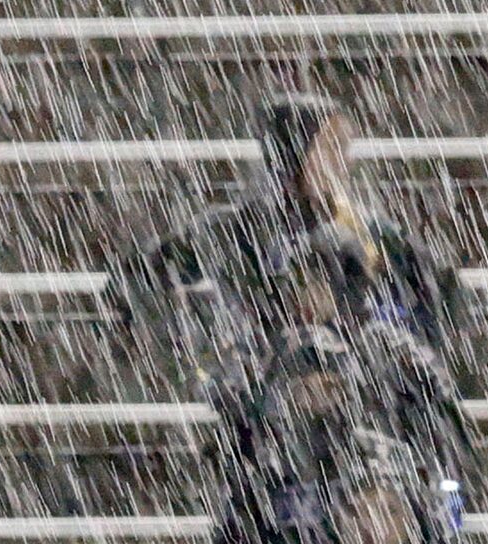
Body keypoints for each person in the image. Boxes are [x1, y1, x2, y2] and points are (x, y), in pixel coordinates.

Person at [111, 94, 462, 395]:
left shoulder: (367, 229)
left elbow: (435, 289)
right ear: (294, 152)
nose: (344, 162)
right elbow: (137, 278)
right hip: (269, 387)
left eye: (343, 149)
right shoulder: (234, 229)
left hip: (353, 385)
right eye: (331, 148)